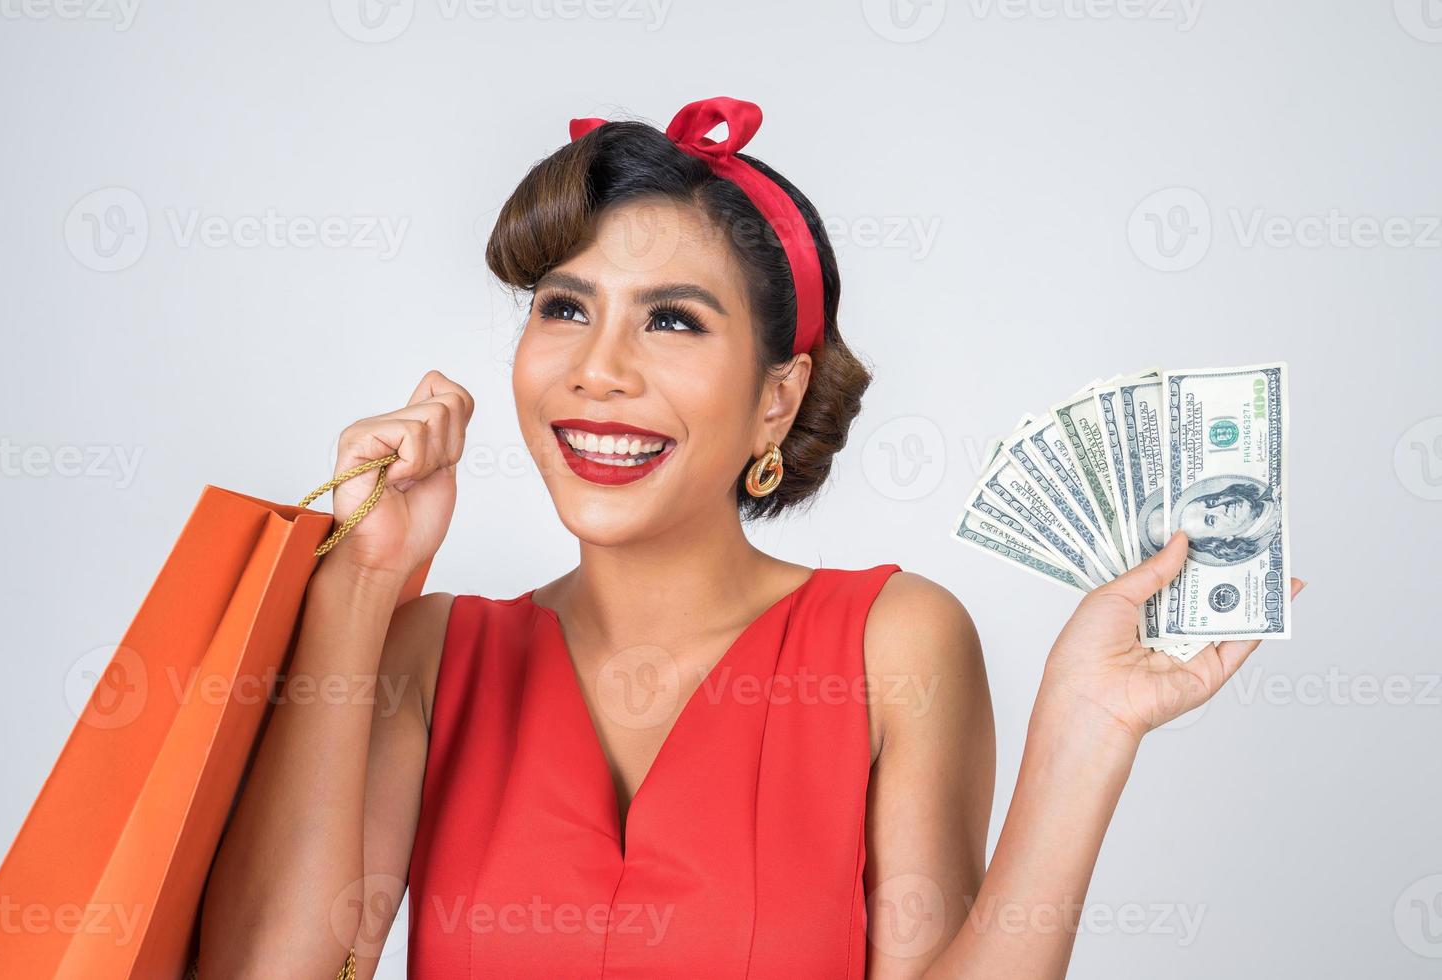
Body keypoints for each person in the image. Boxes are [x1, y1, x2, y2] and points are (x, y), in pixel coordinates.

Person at [197, 98, 1304, 979]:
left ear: (779, 398)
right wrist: (360, 581)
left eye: (672, 319)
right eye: (565, 307)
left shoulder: (894, 643)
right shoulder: (430, 658)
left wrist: (1088, 730)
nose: (599, 369)